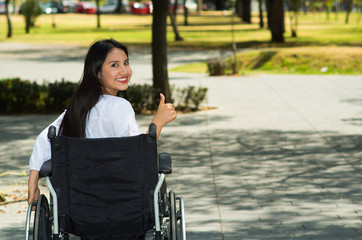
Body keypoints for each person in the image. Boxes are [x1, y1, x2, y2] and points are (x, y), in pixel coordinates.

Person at [27, 39, 177, 205]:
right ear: (98, 73)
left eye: (126, 63)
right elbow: (136, 155)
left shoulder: (77, 108)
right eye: (114, 65)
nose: (124, 71)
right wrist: (158, 122)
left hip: (80, 209)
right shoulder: (120, 107)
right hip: (124, 205)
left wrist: (32, 182)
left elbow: (45, 139)